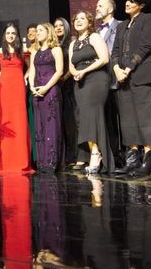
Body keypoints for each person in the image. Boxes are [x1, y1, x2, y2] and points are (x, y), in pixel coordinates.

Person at [112, 0, 151, 176]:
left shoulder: (149, 19)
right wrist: (117, 69)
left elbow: (145, 46)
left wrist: (128, 67)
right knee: (128, 119)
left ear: (141, 4)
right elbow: (115, 50)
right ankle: (132, 161)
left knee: (145, 117)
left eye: (132, 0)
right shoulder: (122, 25)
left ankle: (147, 161)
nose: (127, 3)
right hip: (122, 77)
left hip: (141, 74)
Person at [69, 11, 114, 174]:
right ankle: (94, 151)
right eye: (76, 19)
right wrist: (75, 73)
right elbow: (71, 65)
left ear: (89, 22)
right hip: (79, 82)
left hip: (96, 79)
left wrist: (85, 71)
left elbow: (104, 59)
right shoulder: (73, 43)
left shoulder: (94, 37)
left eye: (82, 19)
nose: (78, 21)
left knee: (92, 115)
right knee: (84, 117)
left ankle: (96, 153)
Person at [0, 23, 33, 174]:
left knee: (19, 121)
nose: (11, 36)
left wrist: (25, 77)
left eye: (13, 33)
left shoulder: (23, 51)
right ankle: (7, 162)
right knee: (6, 121)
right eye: (8, 33)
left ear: (17, 36)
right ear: (4, 35)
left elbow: (31, 67)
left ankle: (21, 161)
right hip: (4, 88)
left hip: (18, 87)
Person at [29, 23, 64, 172]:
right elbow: (32, 70)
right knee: (40, 125)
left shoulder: (56, 49)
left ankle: (52, 161)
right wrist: (31, 86)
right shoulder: (34, 51)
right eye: (37, 31)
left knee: (52, 126)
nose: (38, 33)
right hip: (37, 91)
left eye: (41, 30)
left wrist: (46, 88)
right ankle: (42, 162)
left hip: (50, 91)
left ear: (48, 32)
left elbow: (59, 71)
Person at [95, 0, 122, 164]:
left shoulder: (120, 26)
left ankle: (128, 155)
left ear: (110, 8)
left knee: (123, 119)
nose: (96, 8)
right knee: (108, 119)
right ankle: (112, 156)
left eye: (100, 6)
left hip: (118, 78)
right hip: (102, 81)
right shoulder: (97, 31)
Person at [54, 17, 78, 168]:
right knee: (61, 121)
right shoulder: (54, 45)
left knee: (72, 122)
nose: (58, 28)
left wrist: (63, 78)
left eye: (61, 25)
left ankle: (74, 156)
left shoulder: (71, 42)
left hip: (69, 84)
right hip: (57, 85)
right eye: (55, 26)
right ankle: (64, 156)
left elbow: (73, 64)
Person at [25, 23, 39, 164]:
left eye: (34, 32)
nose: (32, 34)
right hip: (27, 88)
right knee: (31, 121)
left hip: (40, 85)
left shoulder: (41, 49)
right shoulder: (25, 50)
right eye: (29, 32)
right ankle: (32, 156)